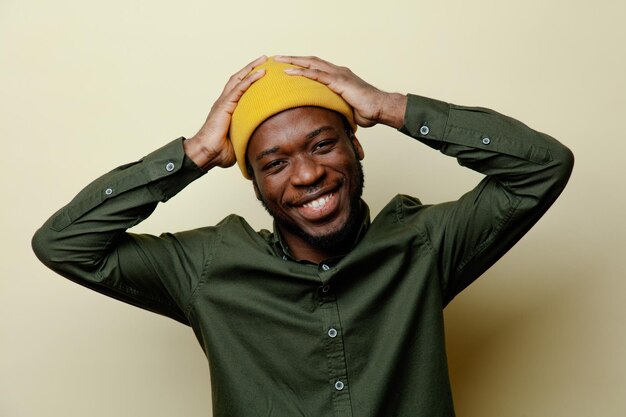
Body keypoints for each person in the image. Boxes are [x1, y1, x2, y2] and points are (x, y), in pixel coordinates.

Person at [32, 55, 574, 417]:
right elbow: (64, 243)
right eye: (274, 163)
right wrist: (193, 153)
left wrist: (388, 106)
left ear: (356, 146)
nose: (307, 175)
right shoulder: (208, 269)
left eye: (322, 145)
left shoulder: (424, 244)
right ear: (257, 186)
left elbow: (544, 167)